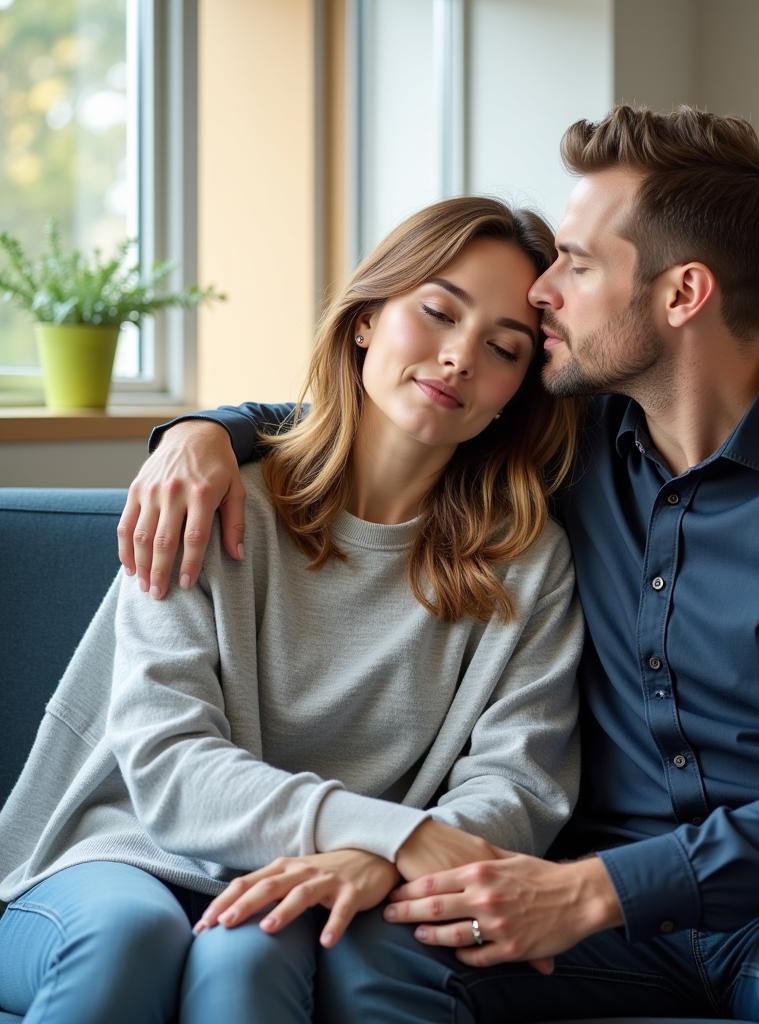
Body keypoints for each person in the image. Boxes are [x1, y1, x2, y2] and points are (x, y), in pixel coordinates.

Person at [113, 105, 759, 1023]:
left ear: (682, 294)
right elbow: (393, 399)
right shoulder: (568, 442)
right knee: (372, 945)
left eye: (576, 264)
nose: (542, 293)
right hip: (595, 909)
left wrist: (595, 892)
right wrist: (202, 434)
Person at [0, 197, 586, 1024]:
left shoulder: (527, 561)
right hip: (118, 854)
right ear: (365, 321)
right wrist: (398, 835)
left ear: (516, 393)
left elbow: (519, 784)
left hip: (327, 880)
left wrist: (384, 854)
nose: (458, 358)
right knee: (131, 939)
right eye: (436, 311)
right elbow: (168, 767)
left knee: (251, 953)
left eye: (501, 348)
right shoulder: (208, 496)